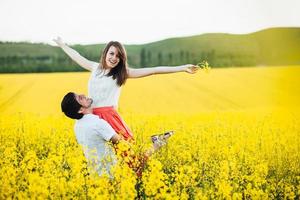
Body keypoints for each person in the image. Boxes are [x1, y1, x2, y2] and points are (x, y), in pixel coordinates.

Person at [54, 37, 198, 141]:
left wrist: (182, 68)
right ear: (105, 53)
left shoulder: (122, 74)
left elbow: (154, 70)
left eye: (118, 56)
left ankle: (156, 143)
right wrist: (62, 45)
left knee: (127, 156)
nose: (114, 58)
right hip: (92, 116)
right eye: (111, 53)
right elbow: (76, 56)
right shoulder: (94, 68)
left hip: (108, 116)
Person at [61, 92, 169, 177]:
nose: (83, 95)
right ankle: (158, 143)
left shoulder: (77, 126)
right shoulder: (97, 123)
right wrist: (150, 148)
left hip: (95, 174)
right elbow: (124, 145)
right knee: (136, 164)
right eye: (80, 98)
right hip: (111, 174)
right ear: (80, 109)